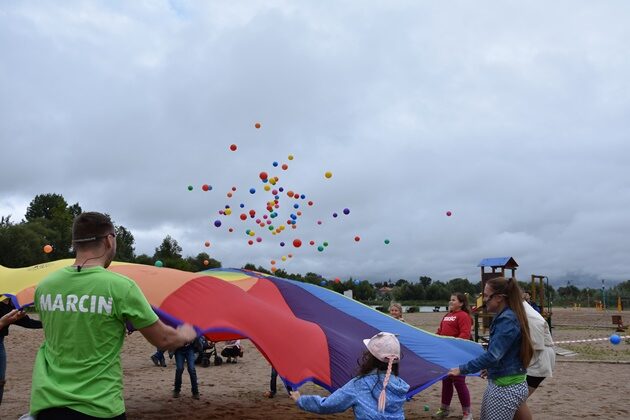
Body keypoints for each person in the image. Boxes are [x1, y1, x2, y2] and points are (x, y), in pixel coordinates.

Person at [30, 212, 197, 419]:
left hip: (48, 404)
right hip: (98, 405)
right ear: (109, 240)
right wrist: (185, 334)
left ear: (75, 243)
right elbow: (163, 339)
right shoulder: (121, 287)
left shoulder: (45, 286)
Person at [448, 277, 534, 420]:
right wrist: (491, 368)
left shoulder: (506, 319)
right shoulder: (506, 316)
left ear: (499, 298)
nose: (484, 300)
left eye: (487, 296)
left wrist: (462, 369)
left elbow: (493, 355)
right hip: (509, 381)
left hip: (506, 386)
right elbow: (504, 353)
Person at [291, 332, 409, 419]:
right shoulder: (399, 385)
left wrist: (301, 400)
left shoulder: (359, 385)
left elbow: (328, 405)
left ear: (370, 358)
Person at [514, 294, 555, 420]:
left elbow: (534, 347)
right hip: (532, 359)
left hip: (538, 361)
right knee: (515, 401)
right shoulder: (519, 311)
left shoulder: (530, 317)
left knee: (515, 400)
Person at [433, 293, 473, 420]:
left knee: (459, 382)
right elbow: (440, 331)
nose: (451, 302)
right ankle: (444, 409)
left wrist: (452, 346)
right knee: (446, 380)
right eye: (450, 299)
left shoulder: (464, 316)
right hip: (446, 354)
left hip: (458, 354)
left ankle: (467, 413)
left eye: (453, 300)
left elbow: (465, 334)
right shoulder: (447, 315)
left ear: (461, 303)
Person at [1, 301, 41, 405]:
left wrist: (49, 323)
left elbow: (27, 322)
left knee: (0, 381)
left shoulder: (10, 305)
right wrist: (1, 323)